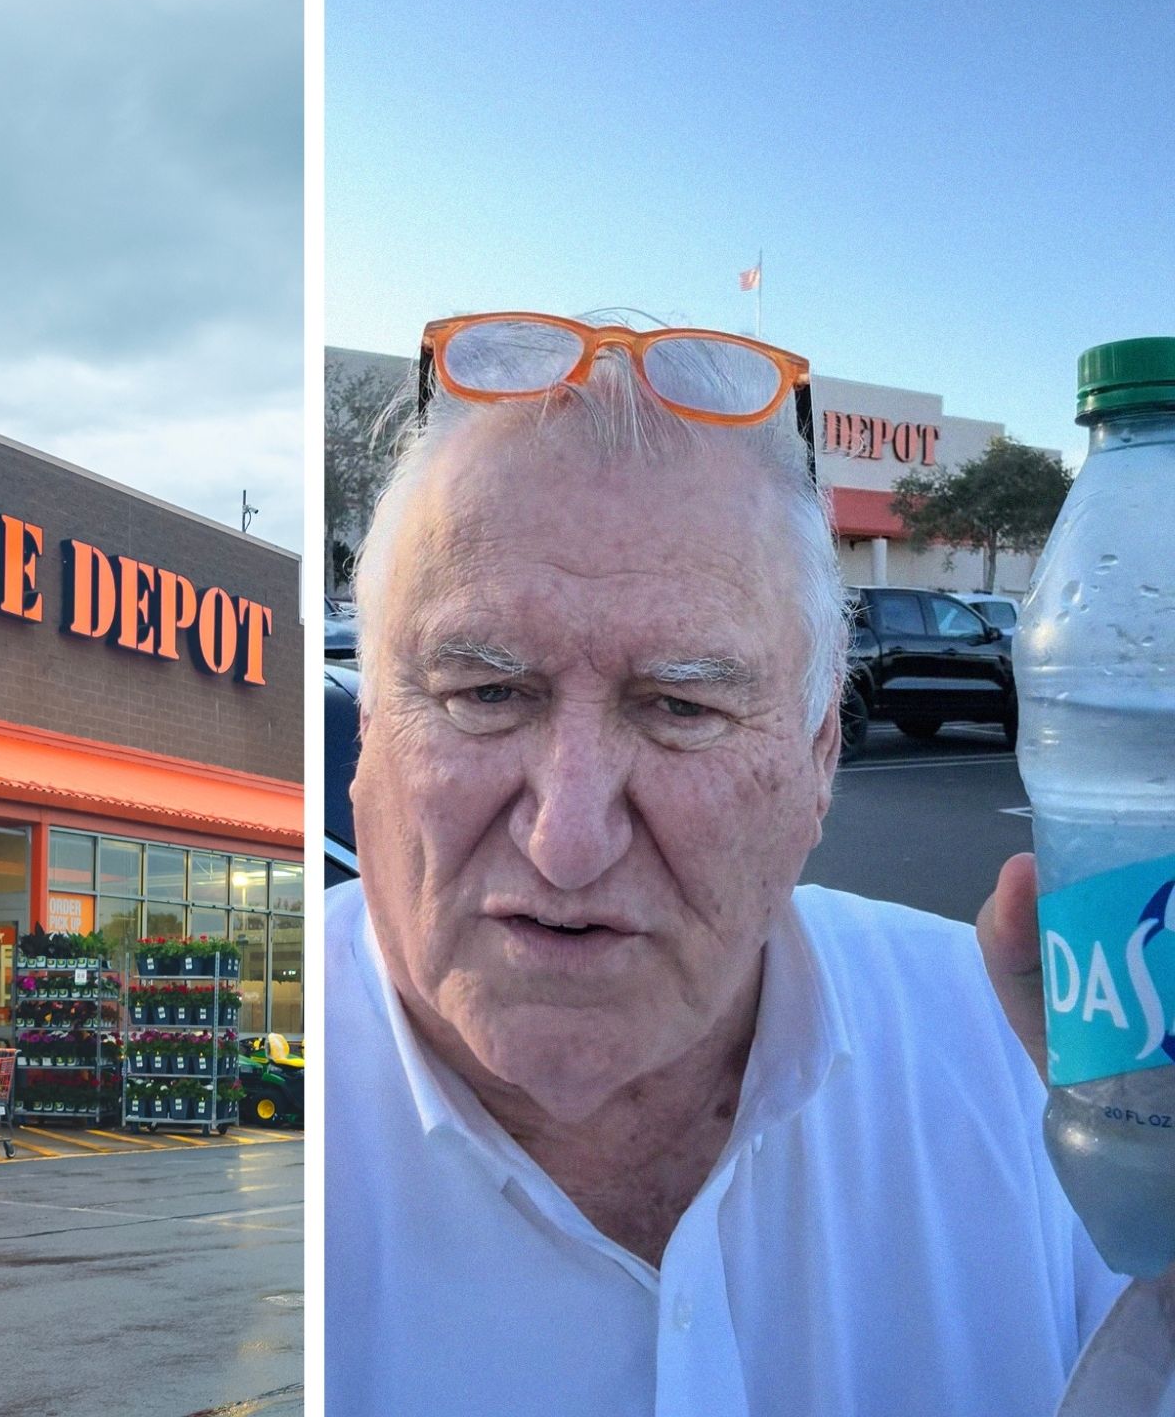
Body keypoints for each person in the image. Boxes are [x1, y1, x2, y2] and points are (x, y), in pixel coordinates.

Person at [325, 313, 1118, 1415]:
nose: (567, 838)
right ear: (367, 736)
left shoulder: (1033, 1084)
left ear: (818, 754)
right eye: (486, 695)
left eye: (680, 708)